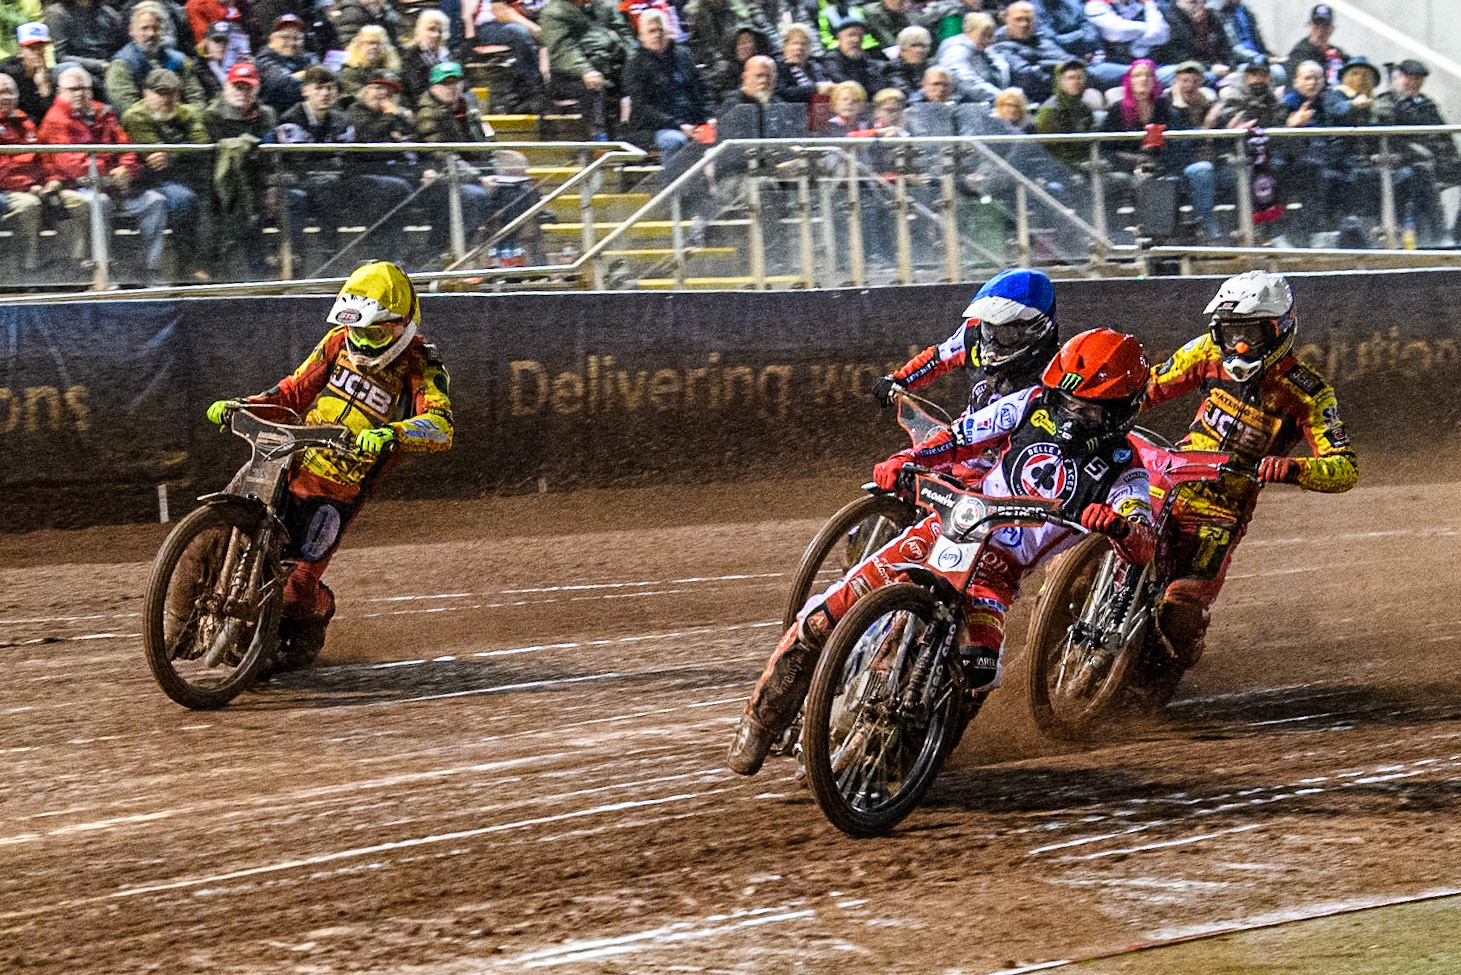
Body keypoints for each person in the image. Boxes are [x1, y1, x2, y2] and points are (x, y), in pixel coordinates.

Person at [728, 325, 1157, 775]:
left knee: (980, 670)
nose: (1069, 413)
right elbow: (960, 436)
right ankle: (760, 722)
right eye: (1065, 400)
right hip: (946, 528)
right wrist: (907, 461)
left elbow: (1142, 539)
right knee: (822, 614)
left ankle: (922, 761)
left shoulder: (1126, 472)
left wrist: (1121, 529)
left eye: (1085, 409)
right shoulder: (1031, 403)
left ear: (1119, 412)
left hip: (996, 576)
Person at [204, 261, 453, 668]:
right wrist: (243, 406)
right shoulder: (338, 342)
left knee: (295, 589)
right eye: (357, 331)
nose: (364, 342)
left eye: (375, 333)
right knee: (213, 531)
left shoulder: (421, 363)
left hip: (341, 488)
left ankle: (316, 610)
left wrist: (394, 433)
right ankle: (178, 630)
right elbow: (292, 392)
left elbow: (441, 425)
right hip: (289, 459)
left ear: (402, 324)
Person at [1142, 271, 1356, 669]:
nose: (1238, 345)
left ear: (1279, 331)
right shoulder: (1206, 351)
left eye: (1250, 334)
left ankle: (1170, 657)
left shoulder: (1310, 393)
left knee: (1181, 607)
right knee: (1092, 539)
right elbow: (1147, 388)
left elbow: (1344, 466)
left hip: (1221, 511)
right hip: (1166, 481)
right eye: (1229, 333)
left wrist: (1292, 469)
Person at [39, 65, 169, 279]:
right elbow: (73, 166)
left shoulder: (103, 112)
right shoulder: (55, 120)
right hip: (76, 187)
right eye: (73, 89)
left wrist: (126, 169)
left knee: (156, 201)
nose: (80, 93)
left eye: (84, 88)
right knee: (100, 203)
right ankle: (103, 273)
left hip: (114, 186)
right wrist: (113, 174)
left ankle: (150, 270)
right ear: (60, 91)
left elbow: (126, 147)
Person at [873, 267, 1061, 414]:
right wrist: (901, 380)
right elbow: (938, 358)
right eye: (989, 327)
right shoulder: (974, 334)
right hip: (968, 437)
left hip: (1009, 446)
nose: (992, 341)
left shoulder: (1053, 375)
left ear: (1035, 330)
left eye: (1005, 332)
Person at [120, 67, 209, 280]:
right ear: (146, 93)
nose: (167, 98)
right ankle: (186, 262)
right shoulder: (135, 116)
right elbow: (155, 157)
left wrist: (172, 154)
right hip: (150, 180)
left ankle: (207, 262)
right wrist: (182, 150)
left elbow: (202, 144)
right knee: (183, 199)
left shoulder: (188, 112)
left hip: (188, 175)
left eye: (172, 93)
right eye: (160, 93)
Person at [1374, 59, 1457, 246]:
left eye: (1418, 79)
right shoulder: (1387, 103)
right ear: (1398, 78)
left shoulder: (1427, 105)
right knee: (1420, 176)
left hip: (1431, 163)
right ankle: (1436, 235)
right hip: (1401, 164)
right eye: (1409, 78)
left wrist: (1451, 164)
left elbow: (1445, 138)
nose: (1414, 83)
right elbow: (1390, 139)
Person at [622, 8, 712, 162]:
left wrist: (708, 117)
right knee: (675, 141)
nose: (657, 35)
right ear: (642, 36)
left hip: (692, 123)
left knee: (718, 134)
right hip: (655, 128)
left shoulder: (684, 55)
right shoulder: (635, 65)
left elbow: (702, 89)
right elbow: (643, 109)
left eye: (660, 30)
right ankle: (675, 178)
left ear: (668, 31)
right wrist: (679, 126)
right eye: (651, 31)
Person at [540, 0, 634, 139]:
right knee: (594, 87)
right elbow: (563, 49)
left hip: (610, 66)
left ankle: (634, 137)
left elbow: (624, 32)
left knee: (640, 78)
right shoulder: (554, 12)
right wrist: (585, 70)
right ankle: (598, 138)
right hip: (570, 74)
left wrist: (634, 61)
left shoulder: (603, 5)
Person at [105, 0, 207, 111]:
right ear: (131, 31)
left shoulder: (179, 60)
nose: (151, 34)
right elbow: (127, 107)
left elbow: (196, 97)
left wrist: (188, 115)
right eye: (144, 28)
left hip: (181, 117)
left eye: (155, 28)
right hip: (141, 120)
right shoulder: (121, 64)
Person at [991, 1, 1083, 103]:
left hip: (1066, 91)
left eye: (1028, 19)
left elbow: (1074, 61)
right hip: (1034, 100)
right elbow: (1026, 77)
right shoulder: (1000, 45)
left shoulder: (1041, 39)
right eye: (1018, 19)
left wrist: (1042, 66)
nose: (1024, 24)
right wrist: (1066, 74)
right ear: (1007, 20)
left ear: (1034, 21)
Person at [44, 0, 125, 84]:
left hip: (110, 67)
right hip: (81, 69)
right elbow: (60, 57)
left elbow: (121, 46)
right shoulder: (57, 13)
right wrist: (100, 65)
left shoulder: (108, 13)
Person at [935, 10, 1003, 104]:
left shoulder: (983, 51)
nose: (987, 40)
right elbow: (965, 80)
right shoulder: (956, 50)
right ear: (968, 31)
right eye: (983, 35)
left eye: (990, 36)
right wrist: (1001, 97)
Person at [255, 12, 318, 114]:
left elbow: (323, 76)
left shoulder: (306, 56)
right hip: (279, 115)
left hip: (307, 113)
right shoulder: (264, 59)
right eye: (285, 38)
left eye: (296, 38)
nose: (292, 43)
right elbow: (282, 84)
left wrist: (300, 76)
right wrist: (309, 76)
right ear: (272, 40)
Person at [0, 21, 55, 122]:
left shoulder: (49, 74)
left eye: (41, 48)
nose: (37, 53)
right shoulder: (8, 72)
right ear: (21, 51)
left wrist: (44, 88)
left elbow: (51, 117)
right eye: (32, 48)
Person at [1084, 0, 1168, 66]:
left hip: (1149, 65)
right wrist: (1152, 28)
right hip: (1114, 64)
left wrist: (1149, 5)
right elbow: (1118, 32)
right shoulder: (1095, 5)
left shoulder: (1145, 3)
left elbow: (1163, 35)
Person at [338, 23, 401, 103]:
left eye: (378, 43)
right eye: (369, 43)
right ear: (359, 45)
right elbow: (360, 97)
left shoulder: (390, 67)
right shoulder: (350, 70)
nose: (374, 47)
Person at [774, 21, 832, 104]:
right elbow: (783, 92)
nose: (799, 48)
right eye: (794, 43)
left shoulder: (817, 65)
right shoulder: (778, 67)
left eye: (804, 44)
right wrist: (816, 88)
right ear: (785, 46)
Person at [882, 24, 931, 96]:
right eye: (914, 45)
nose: (919, 50)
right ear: (902, 50)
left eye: (923, 46)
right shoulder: (892, 69)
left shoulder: (930, 68)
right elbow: (903, 92)